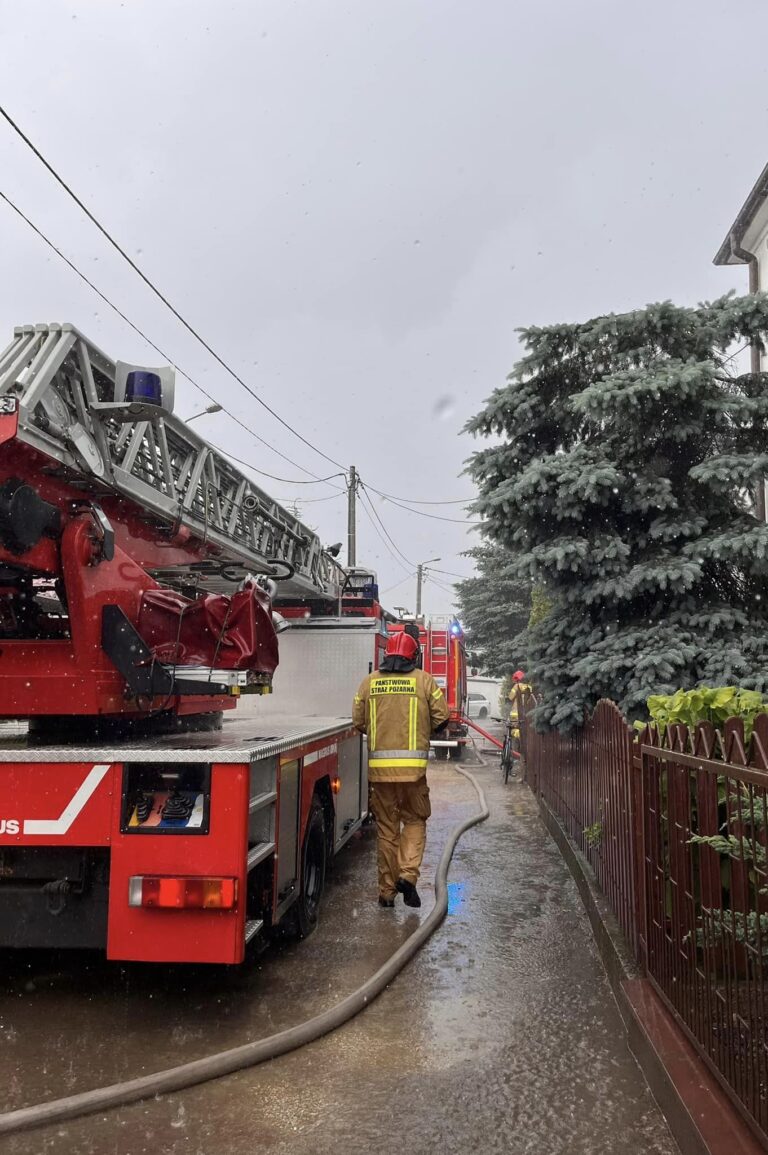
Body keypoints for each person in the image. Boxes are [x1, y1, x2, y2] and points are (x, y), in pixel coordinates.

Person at [353, 629, 449, 909]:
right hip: (414, 775)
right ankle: (407, 875)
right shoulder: (424, 681)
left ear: (387, 655)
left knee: (387, 830)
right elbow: (442, 718)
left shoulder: (369, 683)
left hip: (380, 776)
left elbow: (358, 721)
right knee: (415, 821)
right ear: (413, 656)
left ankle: (386, 893)